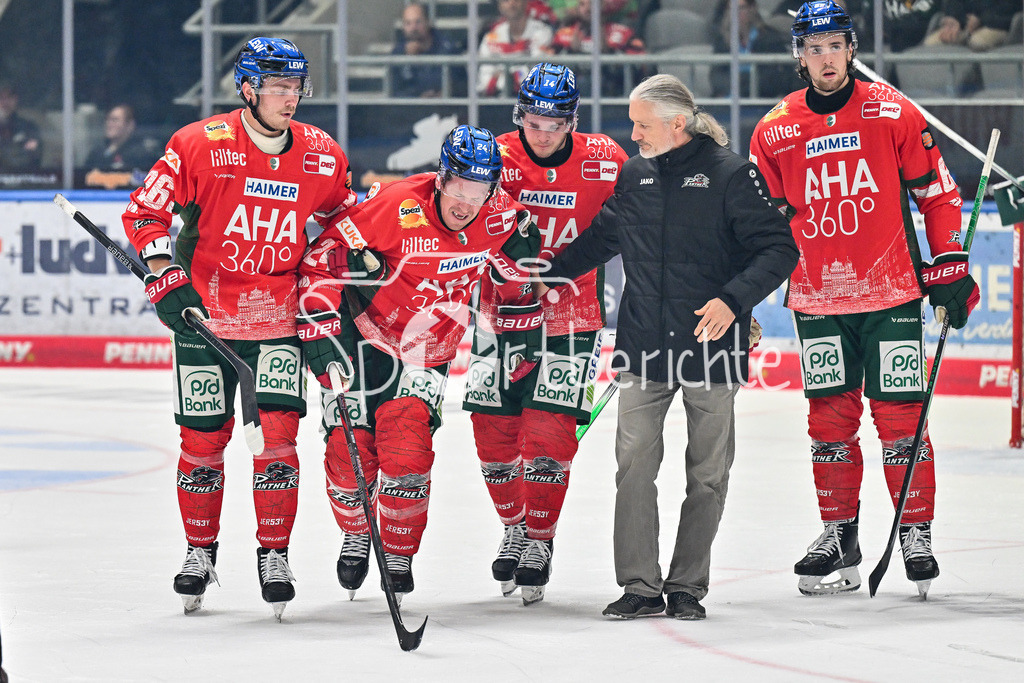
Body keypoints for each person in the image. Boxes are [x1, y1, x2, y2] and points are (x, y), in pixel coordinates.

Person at [540, 73, 799, 620]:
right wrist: (548, 275)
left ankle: (686, 586)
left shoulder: (733, 176)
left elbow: (778, 249)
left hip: (711, 343)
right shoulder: (634, 176)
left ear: (675, 123)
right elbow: (602, 237)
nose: (633, 134)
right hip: (643, 342)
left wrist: (733, 301)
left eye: (642, 124)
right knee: (633, 462)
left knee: (707, 470)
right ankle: (638, 585)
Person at [121, 37, 357, 619]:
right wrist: (163, 274)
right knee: (203, 443)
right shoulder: (199, 142)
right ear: (247, 89)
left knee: (276, 443)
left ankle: (273, 553)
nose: (290, 98)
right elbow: (144, 211)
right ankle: (200, 553)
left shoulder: (323, 153)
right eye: (278, 87)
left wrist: (341, 270)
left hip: (278, 321)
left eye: (296, 86)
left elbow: (339, 219)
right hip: (206, 319)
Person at [748, 1, 977, 598]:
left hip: (893, 294)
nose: (825, 58)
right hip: (818, 300)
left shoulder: (890, 110)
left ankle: (914, 531)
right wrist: (739, 293)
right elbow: (757, 226)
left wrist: (949, 262)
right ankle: (839, 532)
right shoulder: (773, 130)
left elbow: (940, 192)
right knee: (829, 423)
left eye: (834, 46)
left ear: (851, 49)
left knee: (902, 422)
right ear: (798, 55)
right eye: (813, 47)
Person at [297, 125, 539, 605]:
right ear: (441, 178)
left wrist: (523, 332)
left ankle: (399, 555)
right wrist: (322, 327)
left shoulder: (501, 216)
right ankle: (357, 532)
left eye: (479, 189)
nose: (465, 201)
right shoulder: (394, 203)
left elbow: (515, 279)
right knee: (350, 459)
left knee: (406, 450)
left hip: (428, 346)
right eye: (457, 185)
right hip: (362, 330)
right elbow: (319, 260)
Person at [462, 63, 629, 605]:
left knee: (549, 438)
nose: (544, 132)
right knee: (493, 434)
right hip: (498, 318)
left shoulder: (605, 159)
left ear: (573, 120)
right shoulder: (496, 157)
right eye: (534, 120)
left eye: (555, 122)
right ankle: (512, 525)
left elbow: (648, 217)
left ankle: (538, 538)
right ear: (520, 115)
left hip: (572, 321)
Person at [549, 0, 647, 96]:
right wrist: (571, 51)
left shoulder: (622, 33)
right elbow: (548, 69)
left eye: (592, 4)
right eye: (583, 4)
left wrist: (609, 52)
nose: (588, 9)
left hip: (610, 95)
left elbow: (640, 67)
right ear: (577, 8)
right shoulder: (563, 34)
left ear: (603, 5)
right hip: (572, 98)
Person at [709, 0, 802, 99]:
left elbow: (773, 80)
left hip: (760, 102)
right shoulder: (722, 41)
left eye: (741, 8)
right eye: (731, 9)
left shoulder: (770, 39)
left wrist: (740, 82)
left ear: (752, 9)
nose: (736, 13)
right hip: (729, 103)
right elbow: (716, 78)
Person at [478, 0, 554, 96]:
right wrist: (511, 78)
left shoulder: (542, 32)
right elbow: (485, 77)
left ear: (526, 3)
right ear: (500, 6)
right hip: (497, 99)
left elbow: (536, 75)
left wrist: (503, 76)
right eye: (506, 1)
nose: (511, 3)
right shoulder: (491, 36)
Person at [390, 2, 462, 98]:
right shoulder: (398, 53)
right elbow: (394, 92)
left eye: (418, 22)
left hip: (446, 109)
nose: (413, 28)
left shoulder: (447, 48)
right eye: (408, 23)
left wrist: (444, 93)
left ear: (427, 22)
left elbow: (462, 85)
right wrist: (418, 97)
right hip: (411, 110)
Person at [83, 104, 158, 189]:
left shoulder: (140, 155)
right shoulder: (97, 153)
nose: (109, 124)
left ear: (130, 125)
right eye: (107, 120)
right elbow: (84, 179)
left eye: (115, 120)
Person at [923, 0, 1017, 51]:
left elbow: (1010, 7)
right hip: (965, 24)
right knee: (932, 42)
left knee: (978, 42)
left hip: (997, 25)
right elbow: (952, 3)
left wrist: (981, 19)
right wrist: (955, 18)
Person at [0, 82, 42, 173]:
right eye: (1, 98)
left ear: (16, 99)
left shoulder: (29, 128)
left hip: (23, 181)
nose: (5, 102)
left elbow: (31, 156)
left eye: (9, 97)